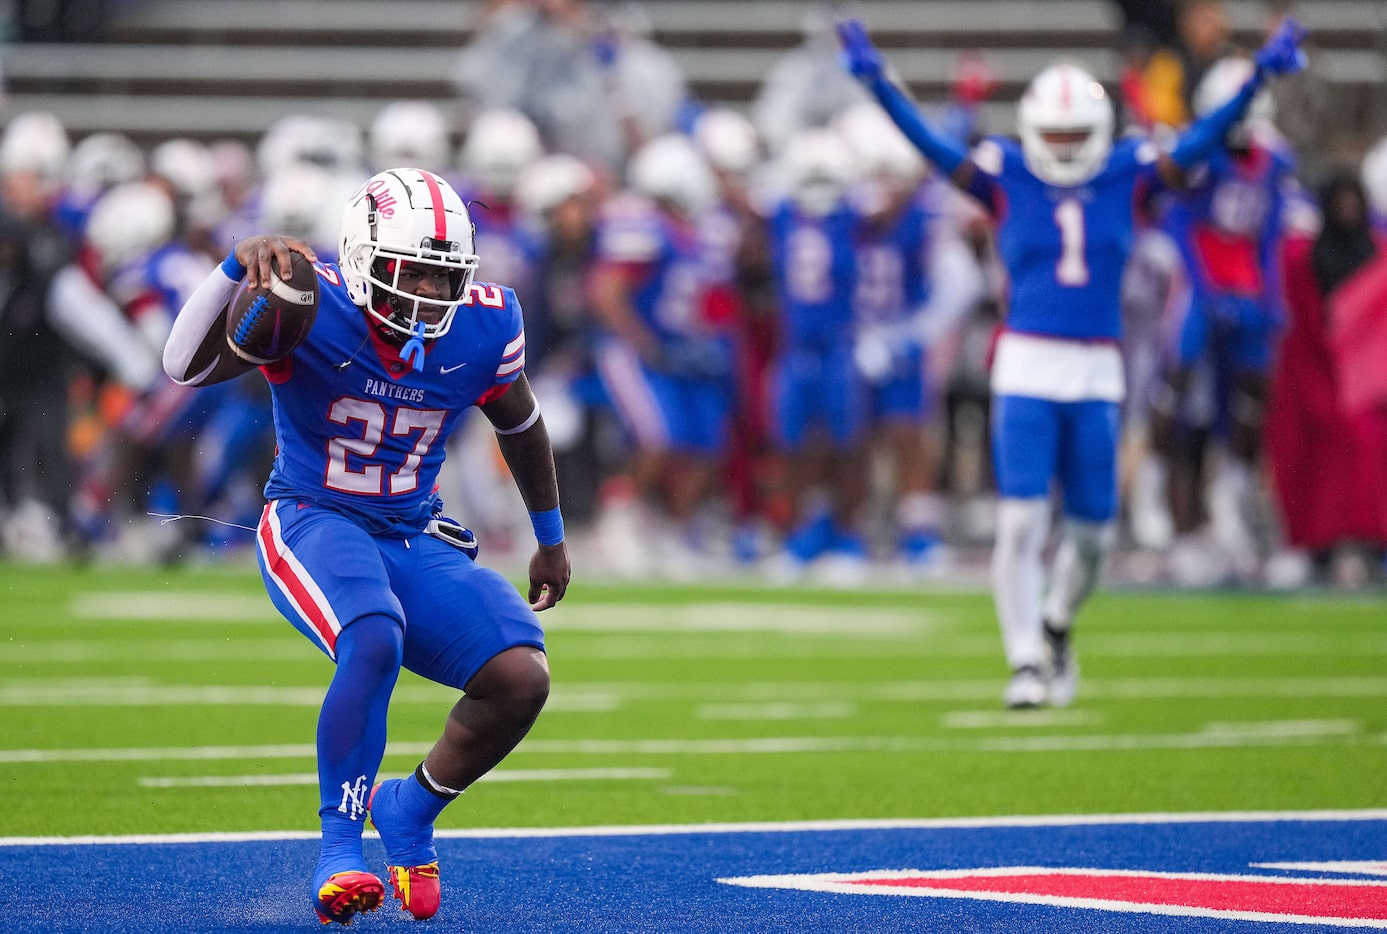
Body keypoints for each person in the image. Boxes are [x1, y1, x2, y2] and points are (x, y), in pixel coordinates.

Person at [837, 16, 1306, 707]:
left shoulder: (1129, 172)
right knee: (1022, 520)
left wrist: (1256, 81)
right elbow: (931, 147)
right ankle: (1023, 660)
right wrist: (879, 83)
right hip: (1025, 362)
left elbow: (1202, 142)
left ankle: (1055, 626)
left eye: (1071, 136)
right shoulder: (1004, 173)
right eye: (1051, 135)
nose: (1059, 148)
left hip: (1096, 367)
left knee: (1091, 535)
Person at [162, 167, 570, 924]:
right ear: (360, 255)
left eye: (443, 275)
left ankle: (409, 808)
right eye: (410, 269)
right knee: (372, 636)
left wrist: (549, 536)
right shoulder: (306, 301)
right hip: (314, 516)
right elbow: (183, 367)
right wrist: (230, 270)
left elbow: (520, 420)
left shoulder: (485, 321)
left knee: (521, 676)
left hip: (412, 528)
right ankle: (339, 852)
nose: (426, 290)